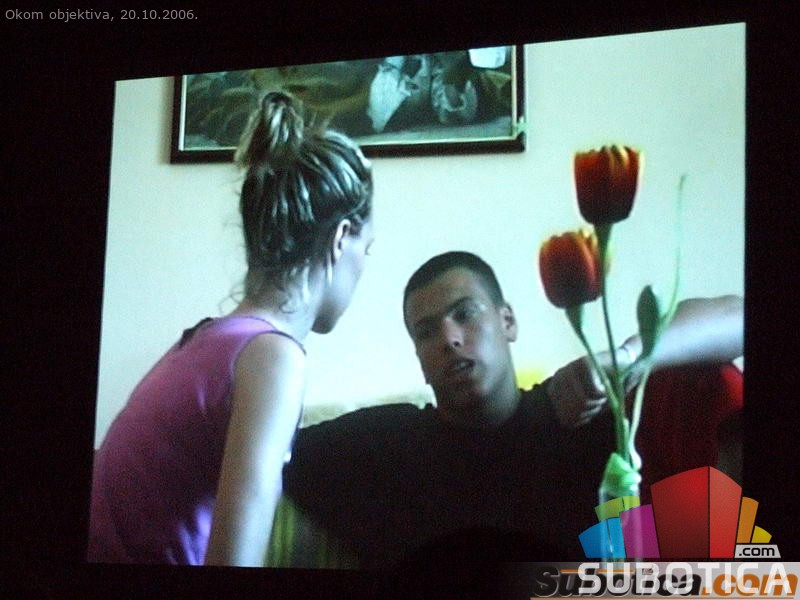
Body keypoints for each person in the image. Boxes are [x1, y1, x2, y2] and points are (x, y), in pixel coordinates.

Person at [282, 251, 743, 567]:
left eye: (465, 313)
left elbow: (738, 319)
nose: (449, 338)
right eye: (426, 332)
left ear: (508, 322)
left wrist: (628, 357)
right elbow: (255, 442)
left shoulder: (583, 409)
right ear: (419, 359)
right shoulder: (382, 446)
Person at [88, 92, 375, 566]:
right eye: (368, 248)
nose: (365, 265)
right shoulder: (274, 358)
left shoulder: (208, 339)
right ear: (341, 238)